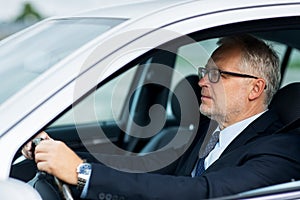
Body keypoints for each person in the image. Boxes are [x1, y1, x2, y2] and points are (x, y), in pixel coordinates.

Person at [22, 34, 300, 199]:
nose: (202, 82)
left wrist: (83, 174)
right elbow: (145, 170)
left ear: (255, 88)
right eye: (205, 72)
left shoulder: (281, 149)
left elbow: (201, 192)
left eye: (216, 75)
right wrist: (58, 154)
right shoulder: (206, 132)